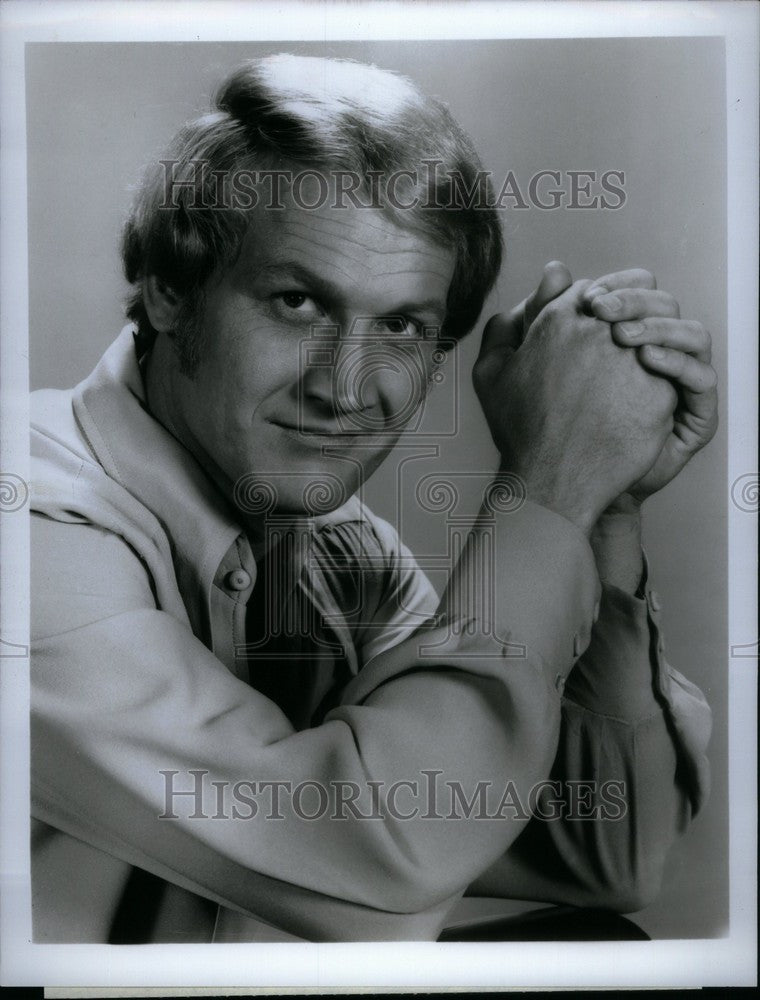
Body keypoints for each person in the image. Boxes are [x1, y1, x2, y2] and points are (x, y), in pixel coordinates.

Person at [30, 53, 717, 943]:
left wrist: (600, 503)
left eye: (401, 325)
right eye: (297, 302)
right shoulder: (34, 530)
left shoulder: (335, 548)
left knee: (598, 943)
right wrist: (544, 482)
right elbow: (389, 846)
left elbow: (599, 854)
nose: (348, 389)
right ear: (170, 290)